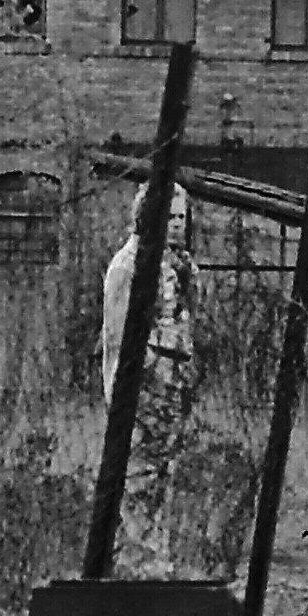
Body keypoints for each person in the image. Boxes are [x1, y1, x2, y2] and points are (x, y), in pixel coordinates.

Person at [102, 184, 200, 565]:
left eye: (181, 217)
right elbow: (117, 340)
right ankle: (133, 564)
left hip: (171, 394)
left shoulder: (181, 267)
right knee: (137, 482)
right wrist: (122, 398)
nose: (175, 224)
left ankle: (156, 562)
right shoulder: (129, 266)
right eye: (168, 216)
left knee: (164, 480)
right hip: (142, 397)